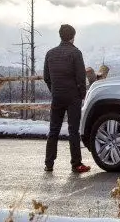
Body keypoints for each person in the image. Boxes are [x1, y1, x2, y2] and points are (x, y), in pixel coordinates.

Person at [42, 24, 91, 173]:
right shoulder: (75, 53)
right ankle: (76, 164)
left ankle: (49, 164)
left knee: (54, 130)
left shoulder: (50, 54)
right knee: (73, 130)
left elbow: (46, 77)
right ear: (72, 37)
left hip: (57, 96)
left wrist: (54, 90)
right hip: (72, 97)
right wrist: (82, 95)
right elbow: (80, 77)